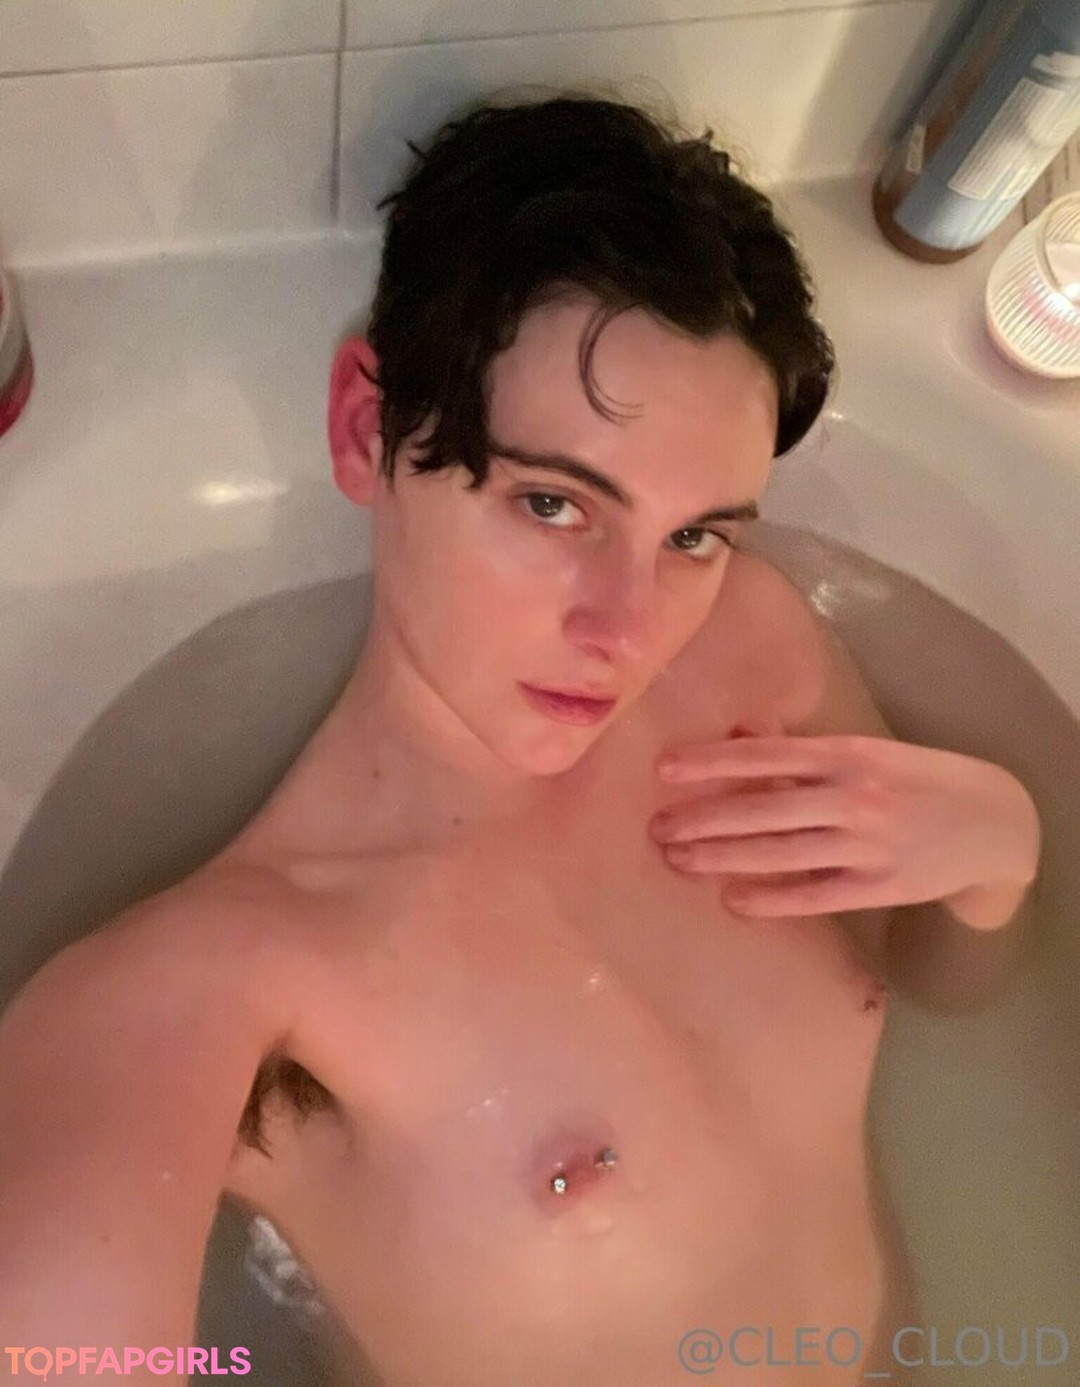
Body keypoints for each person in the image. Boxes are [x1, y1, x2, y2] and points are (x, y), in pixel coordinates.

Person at [0, 92, 1042, 1386]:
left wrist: (996, 847)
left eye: (695, 534)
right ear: (367, 429)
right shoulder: (223, 984)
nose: (629, 627)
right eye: (553, 504)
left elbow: (950, 984)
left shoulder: (751, 649)